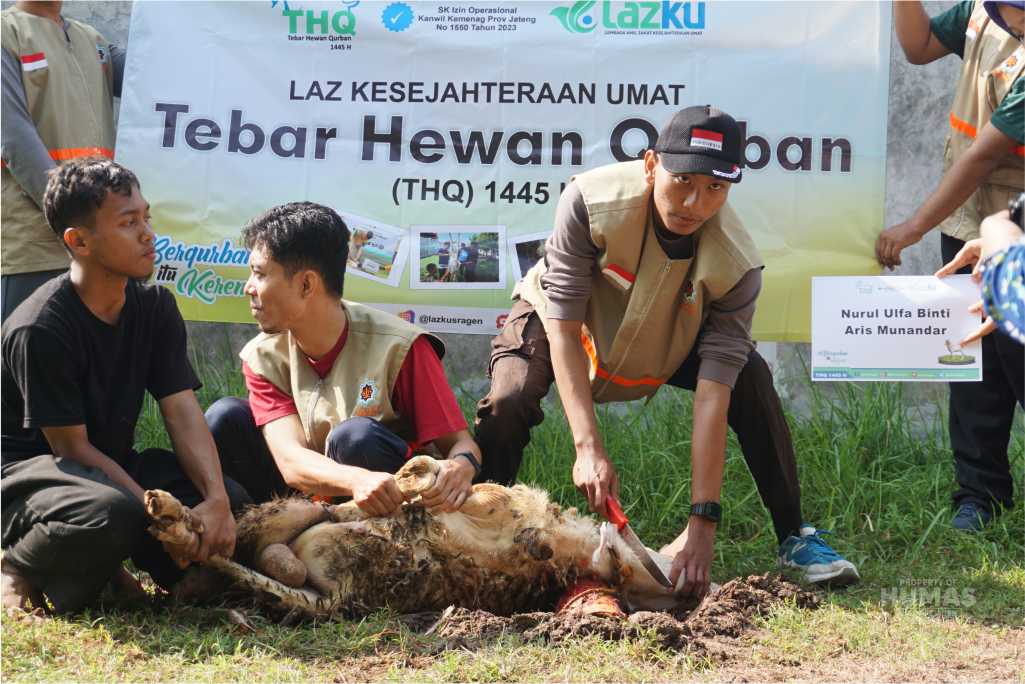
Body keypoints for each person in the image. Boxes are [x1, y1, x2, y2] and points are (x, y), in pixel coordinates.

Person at [473, 106, 859, 596]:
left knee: (750, 374)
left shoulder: (738, 266)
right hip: (562, 320)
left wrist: (703, 524)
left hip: (660, 335)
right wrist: (588, 449)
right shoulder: (590, 201)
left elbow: (713, 394)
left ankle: (795, 536)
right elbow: (565, 331)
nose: (696, 203)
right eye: (684, 181)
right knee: (508, 401)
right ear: (652, 164)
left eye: (716, 187)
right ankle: (481, 530)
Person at [1, 158, 247, 617]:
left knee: (236, 505)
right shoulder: (40, 328)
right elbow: (71, 449)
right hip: (29, 482)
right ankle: (18, 560)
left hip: (109, 466)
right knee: (116, 516)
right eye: (128, 222)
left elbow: (182, 410)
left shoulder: (154, 306)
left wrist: (214, 502)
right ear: (79, 241)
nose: (148, 234)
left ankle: (129, 569)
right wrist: (160, 517)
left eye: (146, 218)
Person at [205, 202, 483, 516]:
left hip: (387, 505)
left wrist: (460, 467)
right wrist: (356, 480)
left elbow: (461, 445)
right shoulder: (262, 356)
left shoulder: (401, 347)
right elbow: (290, 460)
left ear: (306, 284)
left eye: (259, 274)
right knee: (225, 417)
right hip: (309, 495)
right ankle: (257, 536)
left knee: (354, 438)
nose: (248, 288)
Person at [876, 0, 1024, 531]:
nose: (1014, 17)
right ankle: (979, 496)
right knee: (971, 368)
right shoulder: (982, 12)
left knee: (1018, 358)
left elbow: (983, 155)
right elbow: (918, 47)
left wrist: (913, 226)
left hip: (1014, 228)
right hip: (968, 225)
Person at [1, 1, 127, 322]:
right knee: (28, 346)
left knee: (89, 350)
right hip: (36, 244)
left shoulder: (92, 40)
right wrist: (77, 216)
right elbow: (15, 139)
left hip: (94, 240)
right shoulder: (7, 33)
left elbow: (152, 70)